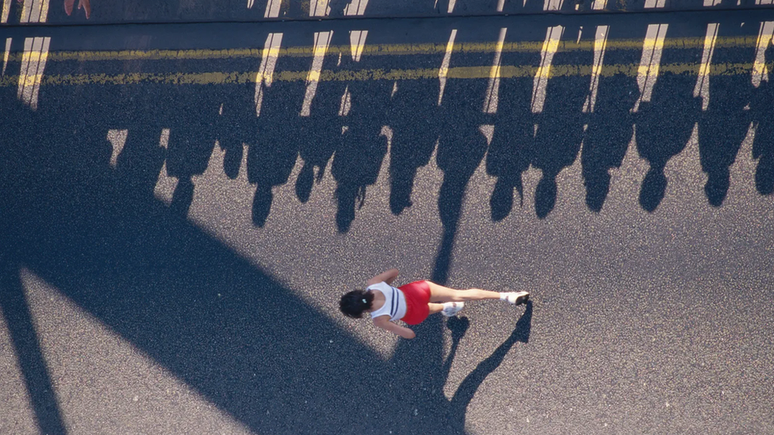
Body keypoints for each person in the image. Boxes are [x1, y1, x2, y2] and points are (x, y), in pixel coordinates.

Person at [339, 268, 529, 339]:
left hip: (414, 312)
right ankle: (507, 296)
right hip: (417, 290)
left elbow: (409, 334)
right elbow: (395, 272)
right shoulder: (373, 284)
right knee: (459, 294)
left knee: (430, 308)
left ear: (360, 312)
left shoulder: (378, 320)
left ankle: (447, 308)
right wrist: (388, 288)